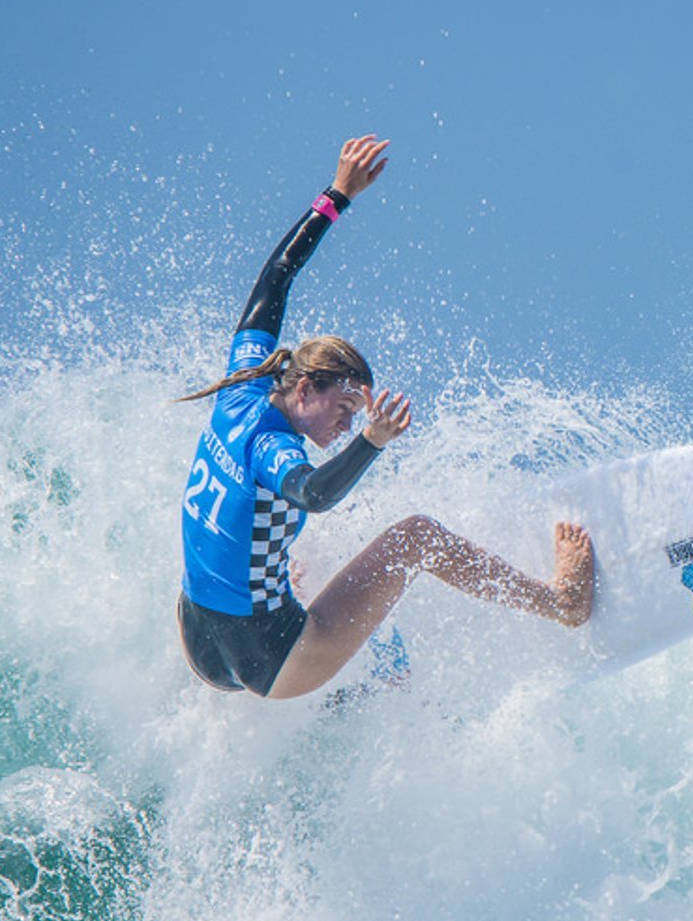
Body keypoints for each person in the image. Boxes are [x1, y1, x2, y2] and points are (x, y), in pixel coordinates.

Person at [175, 135, 593, 700]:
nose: (345, 425)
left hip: (198, 642)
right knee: (414, 539)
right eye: (344, 409)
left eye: (355, 419)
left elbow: (276, 277)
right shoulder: (275, 449)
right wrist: (371, 441)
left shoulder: (244, 384)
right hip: (270, 657)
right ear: (305, 388)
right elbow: (315, 494)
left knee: (290, 551)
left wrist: (337, 194)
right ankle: (560, 603)